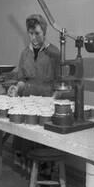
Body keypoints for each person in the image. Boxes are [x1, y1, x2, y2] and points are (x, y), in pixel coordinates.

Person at [7, 14, 60, 177]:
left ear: (44, 32)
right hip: (28, 102)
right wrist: (16, 88)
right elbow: (22, 79)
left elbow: (60, 82)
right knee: (26, 141)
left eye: (37, 33)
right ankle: (31, 177)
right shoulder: (25, 54)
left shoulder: (54, 53)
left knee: (43, 144)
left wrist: (53, 101)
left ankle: (45, 179)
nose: (34, 37)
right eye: (31, 34)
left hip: (46, 103)